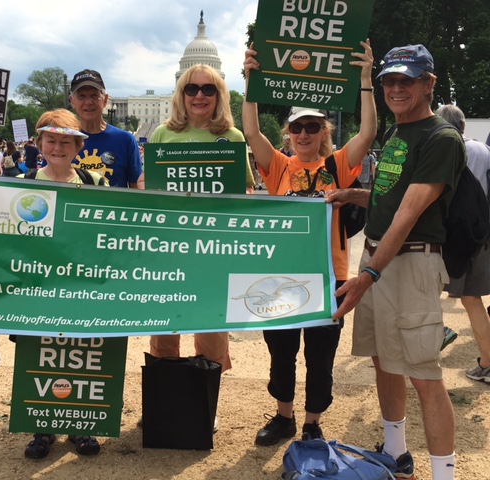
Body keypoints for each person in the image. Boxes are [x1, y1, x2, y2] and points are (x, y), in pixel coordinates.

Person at [328, 44, 463, 480]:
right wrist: (354, 195)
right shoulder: (395, 133)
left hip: (409, 263)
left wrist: (367, 275)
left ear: (429, 84)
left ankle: (444, 474)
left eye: (408, 80)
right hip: (381, 260)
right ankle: (396, 452)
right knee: (383, 360)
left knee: (424, 375)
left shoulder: (441, 138)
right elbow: (391, 200)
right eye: (391, 80)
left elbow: (407, 217)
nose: (397, 88)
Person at [242, 40, 376, 445]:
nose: (303, 134)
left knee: (321, 358)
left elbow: (368, 132)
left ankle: (312, 422)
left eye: (312, 127)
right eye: (297, 127)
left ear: (324, 132)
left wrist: (366, 80)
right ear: (288, 133)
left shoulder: (338, 166)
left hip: (329, 277)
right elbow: (250, 131)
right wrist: (250, 79)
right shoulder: (279, 166)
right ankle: (284, 416)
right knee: (281, 352)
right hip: (281, 274)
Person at [146, 64, 257, 429]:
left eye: (208, 90)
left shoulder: (233, 136)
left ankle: (203, 405)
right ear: (181, 94)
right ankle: (165, 404)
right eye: (192, 89)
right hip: (169, 251)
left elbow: (247, 190)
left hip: (212, 255)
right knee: (165, 331)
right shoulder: (162, 135)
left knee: (211, 335)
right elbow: (150, 190)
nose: (199, 96)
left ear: (219, 96)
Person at [20, 109, 105, 459]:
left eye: (65, 141)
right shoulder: (23, 181)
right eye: (51, 140)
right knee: (41, 352)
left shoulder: (95, 182)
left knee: (81, 353)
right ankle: (42, 426)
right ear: (40, 143)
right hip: (39, 285)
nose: (58, 147)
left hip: (81, 284)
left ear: (78, 145)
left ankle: (80, 425)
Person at [436, 104, 490, 382]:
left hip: (449, 234)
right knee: (472, 299)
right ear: (463, 125)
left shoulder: (443, 147)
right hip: (481, 233)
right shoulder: (484, 149)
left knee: (426, 288)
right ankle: (488, 361)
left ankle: (435, 334)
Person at [69, 69, 142, 188]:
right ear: (72, 101)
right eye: (82, 96)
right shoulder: (63, 139)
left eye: (94, 96)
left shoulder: (125, 140)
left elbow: (136, 187)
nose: (88, 102)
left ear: (105, 100)